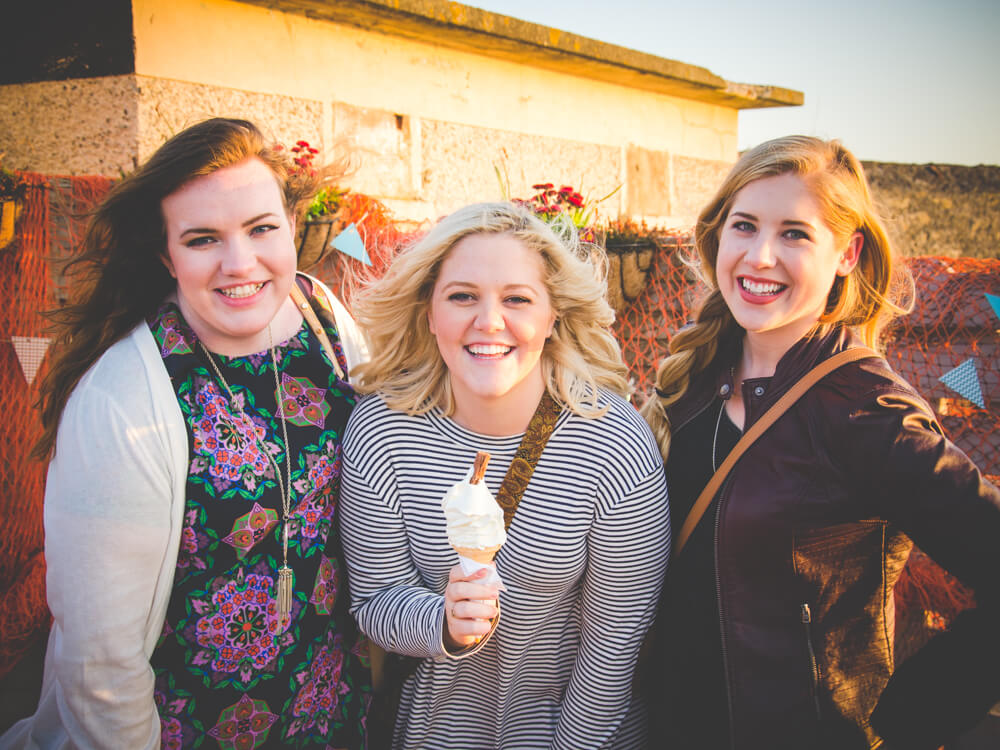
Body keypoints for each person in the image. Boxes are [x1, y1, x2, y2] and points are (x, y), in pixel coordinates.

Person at [0, 118, 371, 749]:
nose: (240, 263)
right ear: (165, 254)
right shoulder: (122, 396)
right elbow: (100, 663)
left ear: (290, 224)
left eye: (261, 228)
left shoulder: (324, 318)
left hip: (323, 711)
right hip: (179, 727)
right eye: (203, 239)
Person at [640, 135, 1000, 749]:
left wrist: (908, 722)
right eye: (745, 226)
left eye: (794, 234)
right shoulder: (693, 381)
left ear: (846, 253)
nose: (759, 257)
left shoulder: (867, 410)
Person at [338, 202, 670, 749]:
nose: (489, 321)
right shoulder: (382, 431)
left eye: (517, 299)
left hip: (575, 733)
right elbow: (376, 602)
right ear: (429, 312)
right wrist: (441, 621)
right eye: (462, 296)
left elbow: (615, 643)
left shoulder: (612, 444)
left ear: (552, 315)